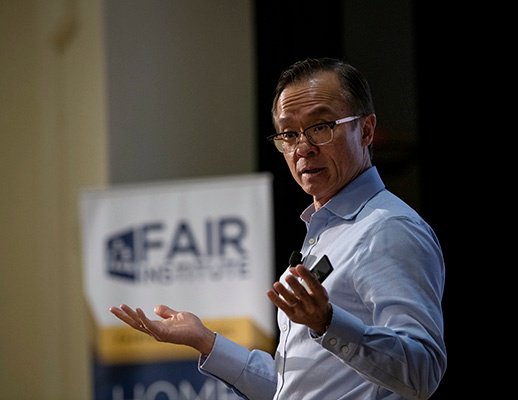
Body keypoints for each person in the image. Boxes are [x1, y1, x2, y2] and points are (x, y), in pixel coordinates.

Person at [110, 57, 446, 399]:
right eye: (289, 134)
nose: (303, 148)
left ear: (367, 131)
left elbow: (424, 371)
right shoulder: (325, 232)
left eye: (321, 126)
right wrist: (206, 341)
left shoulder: (388, 229)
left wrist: (328, 324)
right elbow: (294, 389)